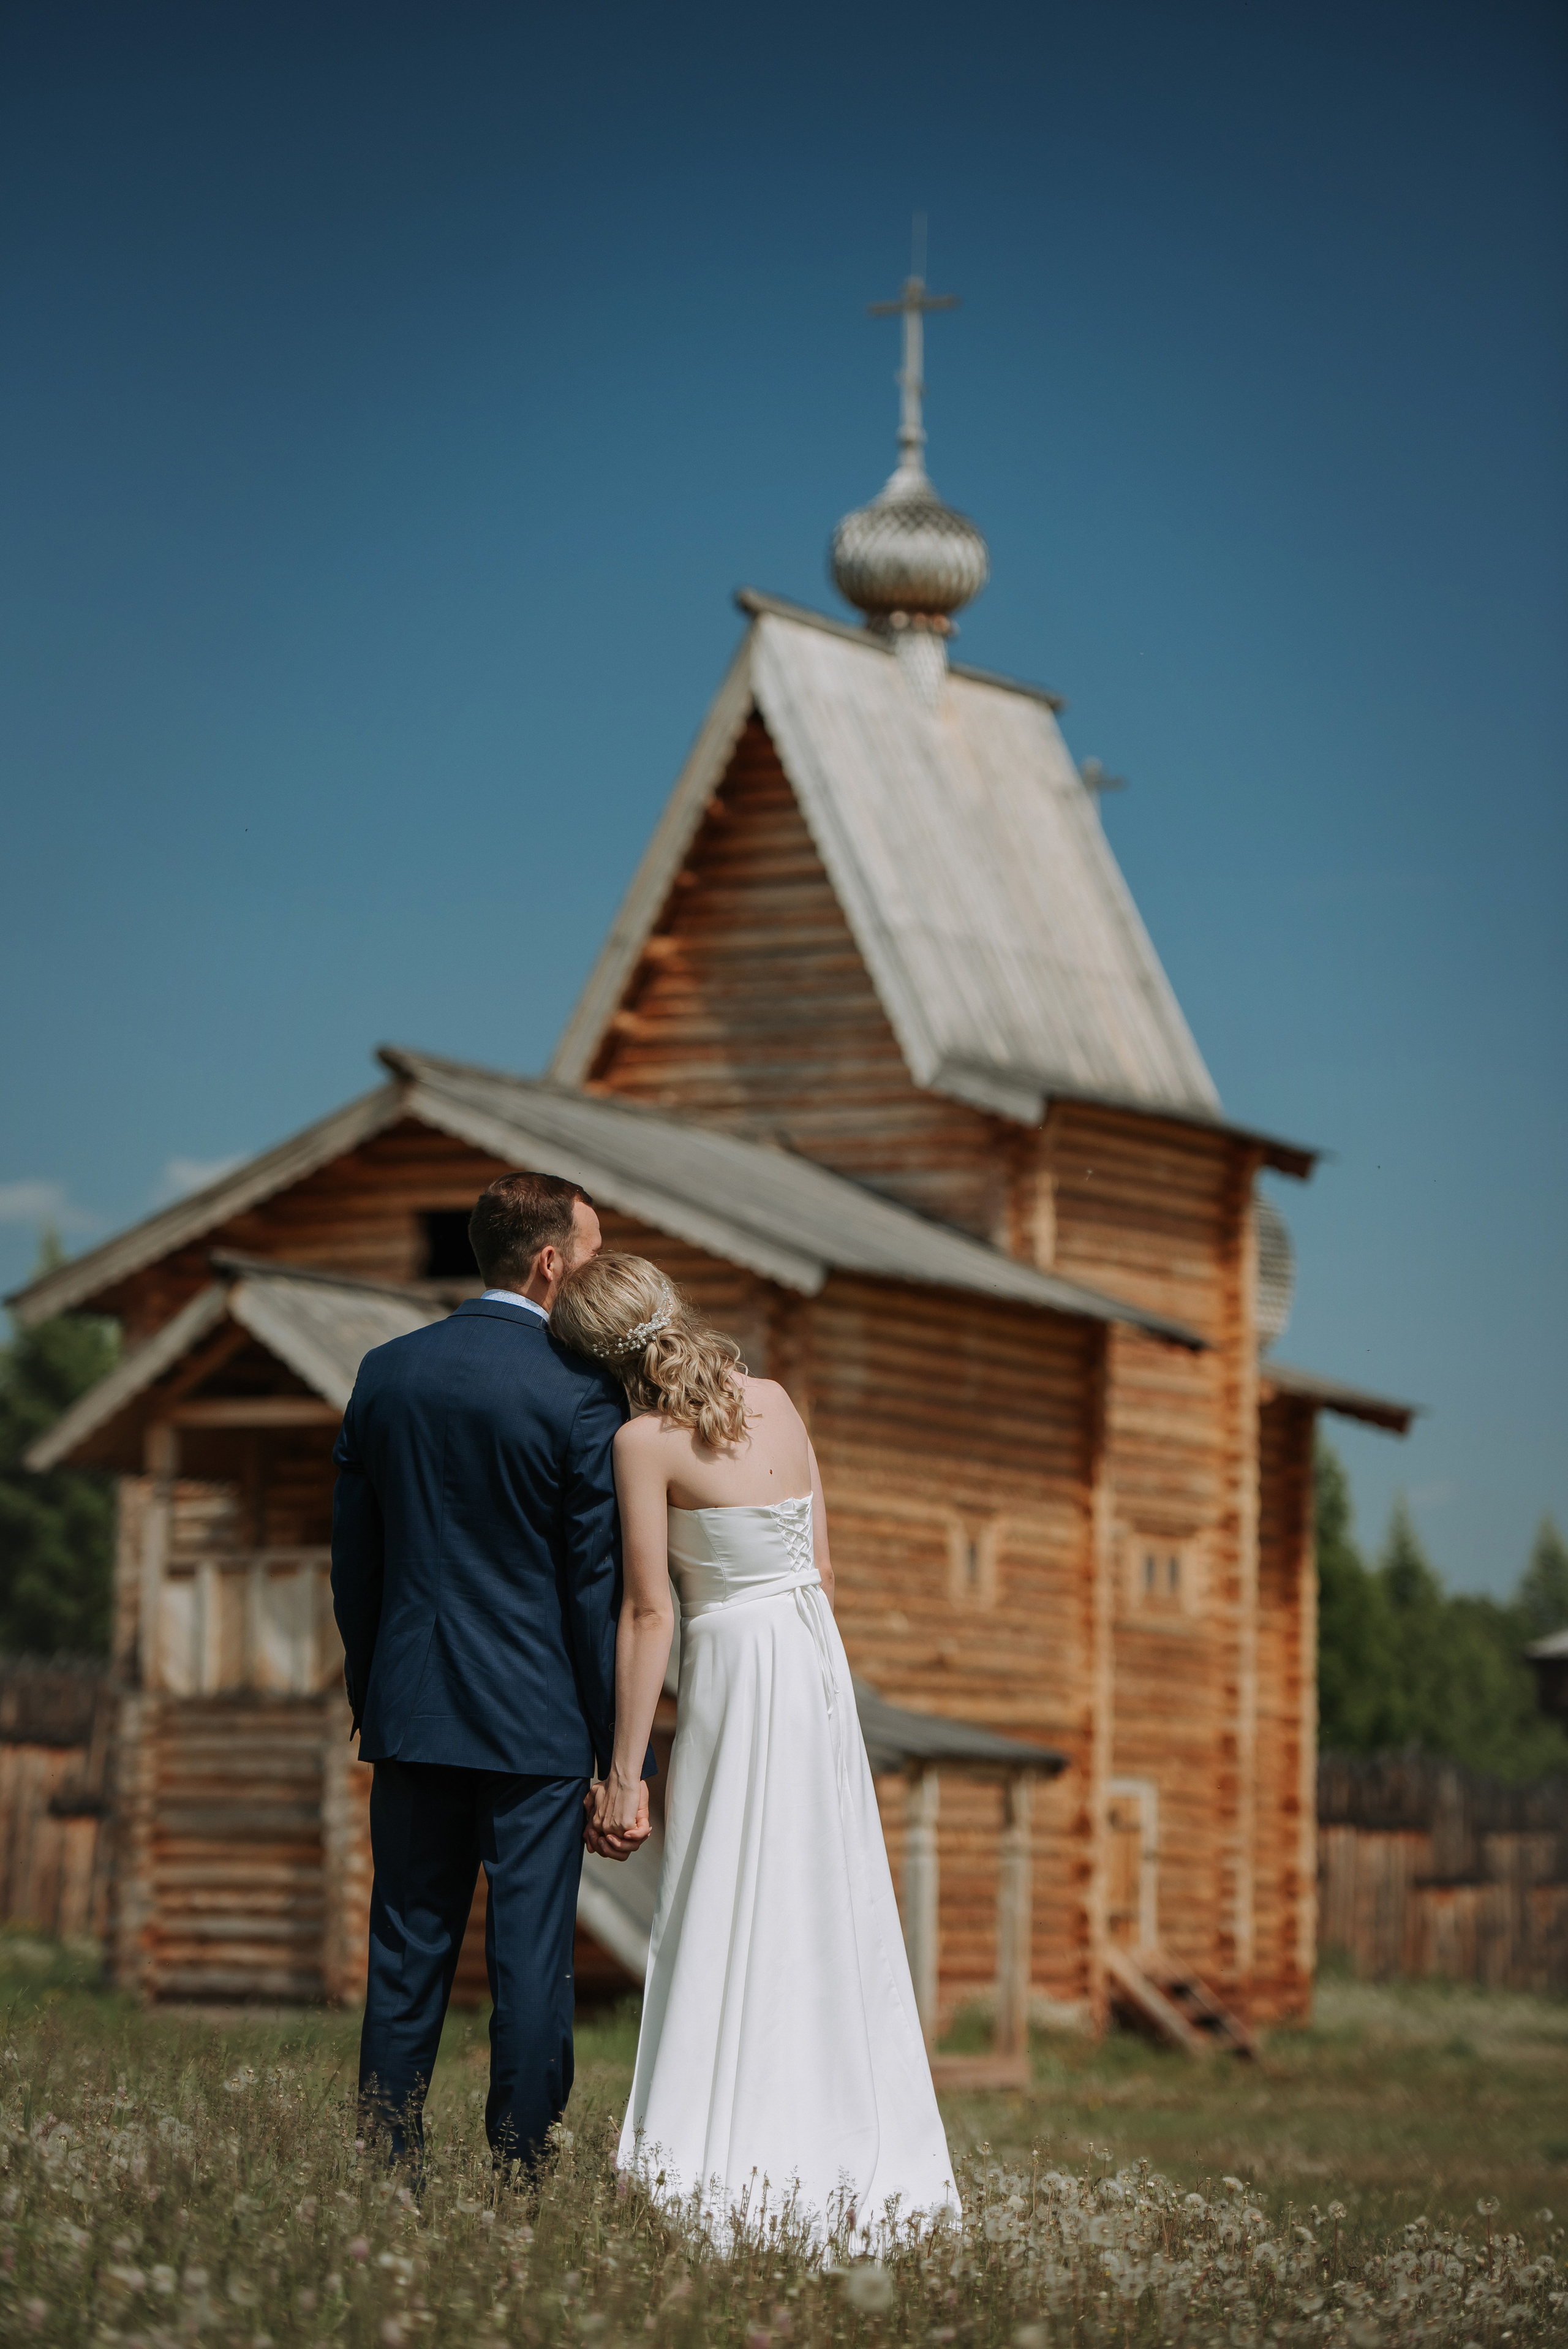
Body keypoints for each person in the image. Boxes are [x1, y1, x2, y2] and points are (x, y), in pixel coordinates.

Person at [549, 1252, 959, 2240]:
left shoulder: (643, 1443)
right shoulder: (774, 1397)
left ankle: (720, 2146)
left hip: (732, 1662)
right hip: (813, 1661)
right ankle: (855, 2150)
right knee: (826, 1892)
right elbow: (820, 1563)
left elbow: (650, 1613)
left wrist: (621, 1770)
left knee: (725, 1887)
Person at [330, 1172, 652, 2172]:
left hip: (414, 1709)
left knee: (406, 1952)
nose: (597, 1268)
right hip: (538, 1725)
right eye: (593, 1252)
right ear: (553, 1262)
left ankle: (388, 2161)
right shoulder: (581, 1393)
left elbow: (355, 1563)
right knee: (530, 1965)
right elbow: (592, 1581)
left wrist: (373, 1695)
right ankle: (523, 2163)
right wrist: (611, 1750)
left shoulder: (387, 1371)